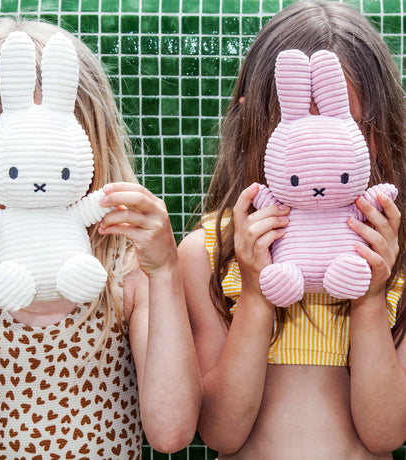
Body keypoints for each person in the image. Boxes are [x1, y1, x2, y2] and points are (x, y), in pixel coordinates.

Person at [0, 18, 201, 459]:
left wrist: (165, 273)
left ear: (92, 141)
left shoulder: (126, 265)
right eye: (8, 148)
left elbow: (171, 432)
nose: (36, 174)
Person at [178, 1, 406, 458]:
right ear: (253, 122)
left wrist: (369, 296)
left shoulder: (398, 252)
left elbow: (386, 433)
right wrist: (257, 294)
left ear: (376, 134)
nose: (317, 147)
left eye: (345, 125)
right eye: (300, 121)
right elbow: (221, 433)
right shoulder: (207, 250)